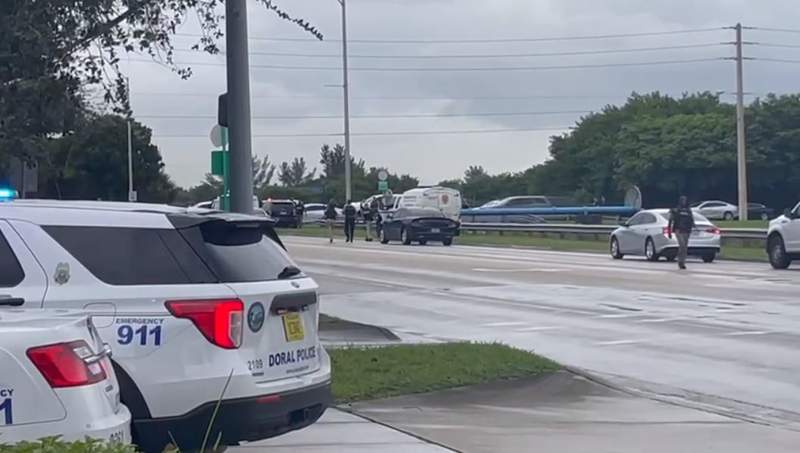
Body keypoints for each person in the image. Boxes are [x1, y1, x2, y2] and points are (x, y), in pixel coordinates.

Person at [668, 195, 695, 270]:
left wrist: (693, 226)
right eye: (682, 200)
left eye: (685, 200)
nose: (684, 201)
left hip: (686, 230)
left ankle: (682, 262)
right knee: (682, 245)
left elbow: (691, 219)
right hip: (678, 230)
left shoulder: (688, 210)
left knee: (685, 248)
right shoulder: (676, 210)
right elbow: (670, 221)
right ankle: (680, 261)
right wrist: (669, 232)